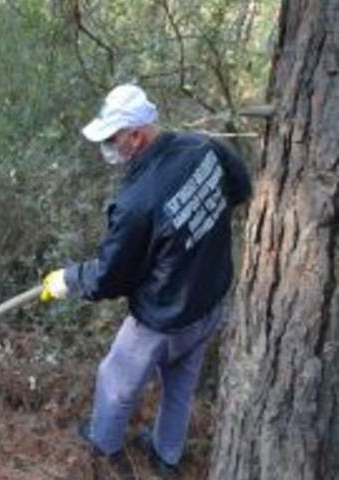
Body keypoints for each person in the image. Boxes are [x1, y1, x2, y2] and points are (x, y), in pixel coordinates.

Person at [40, 84, 251, 475]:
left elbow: (109, 277)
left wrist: (67, 278)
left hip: (163, 316)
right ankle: (166, 457)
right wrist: (195, 237)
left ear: (136, 136)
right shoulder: (202, 146)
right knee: (180, 388)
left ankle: (102, 445)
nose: (106, 147)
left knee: (114, 381)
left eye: (111, 138)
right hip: (209, 301)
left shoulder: (137, 201)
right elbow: (240, 188)